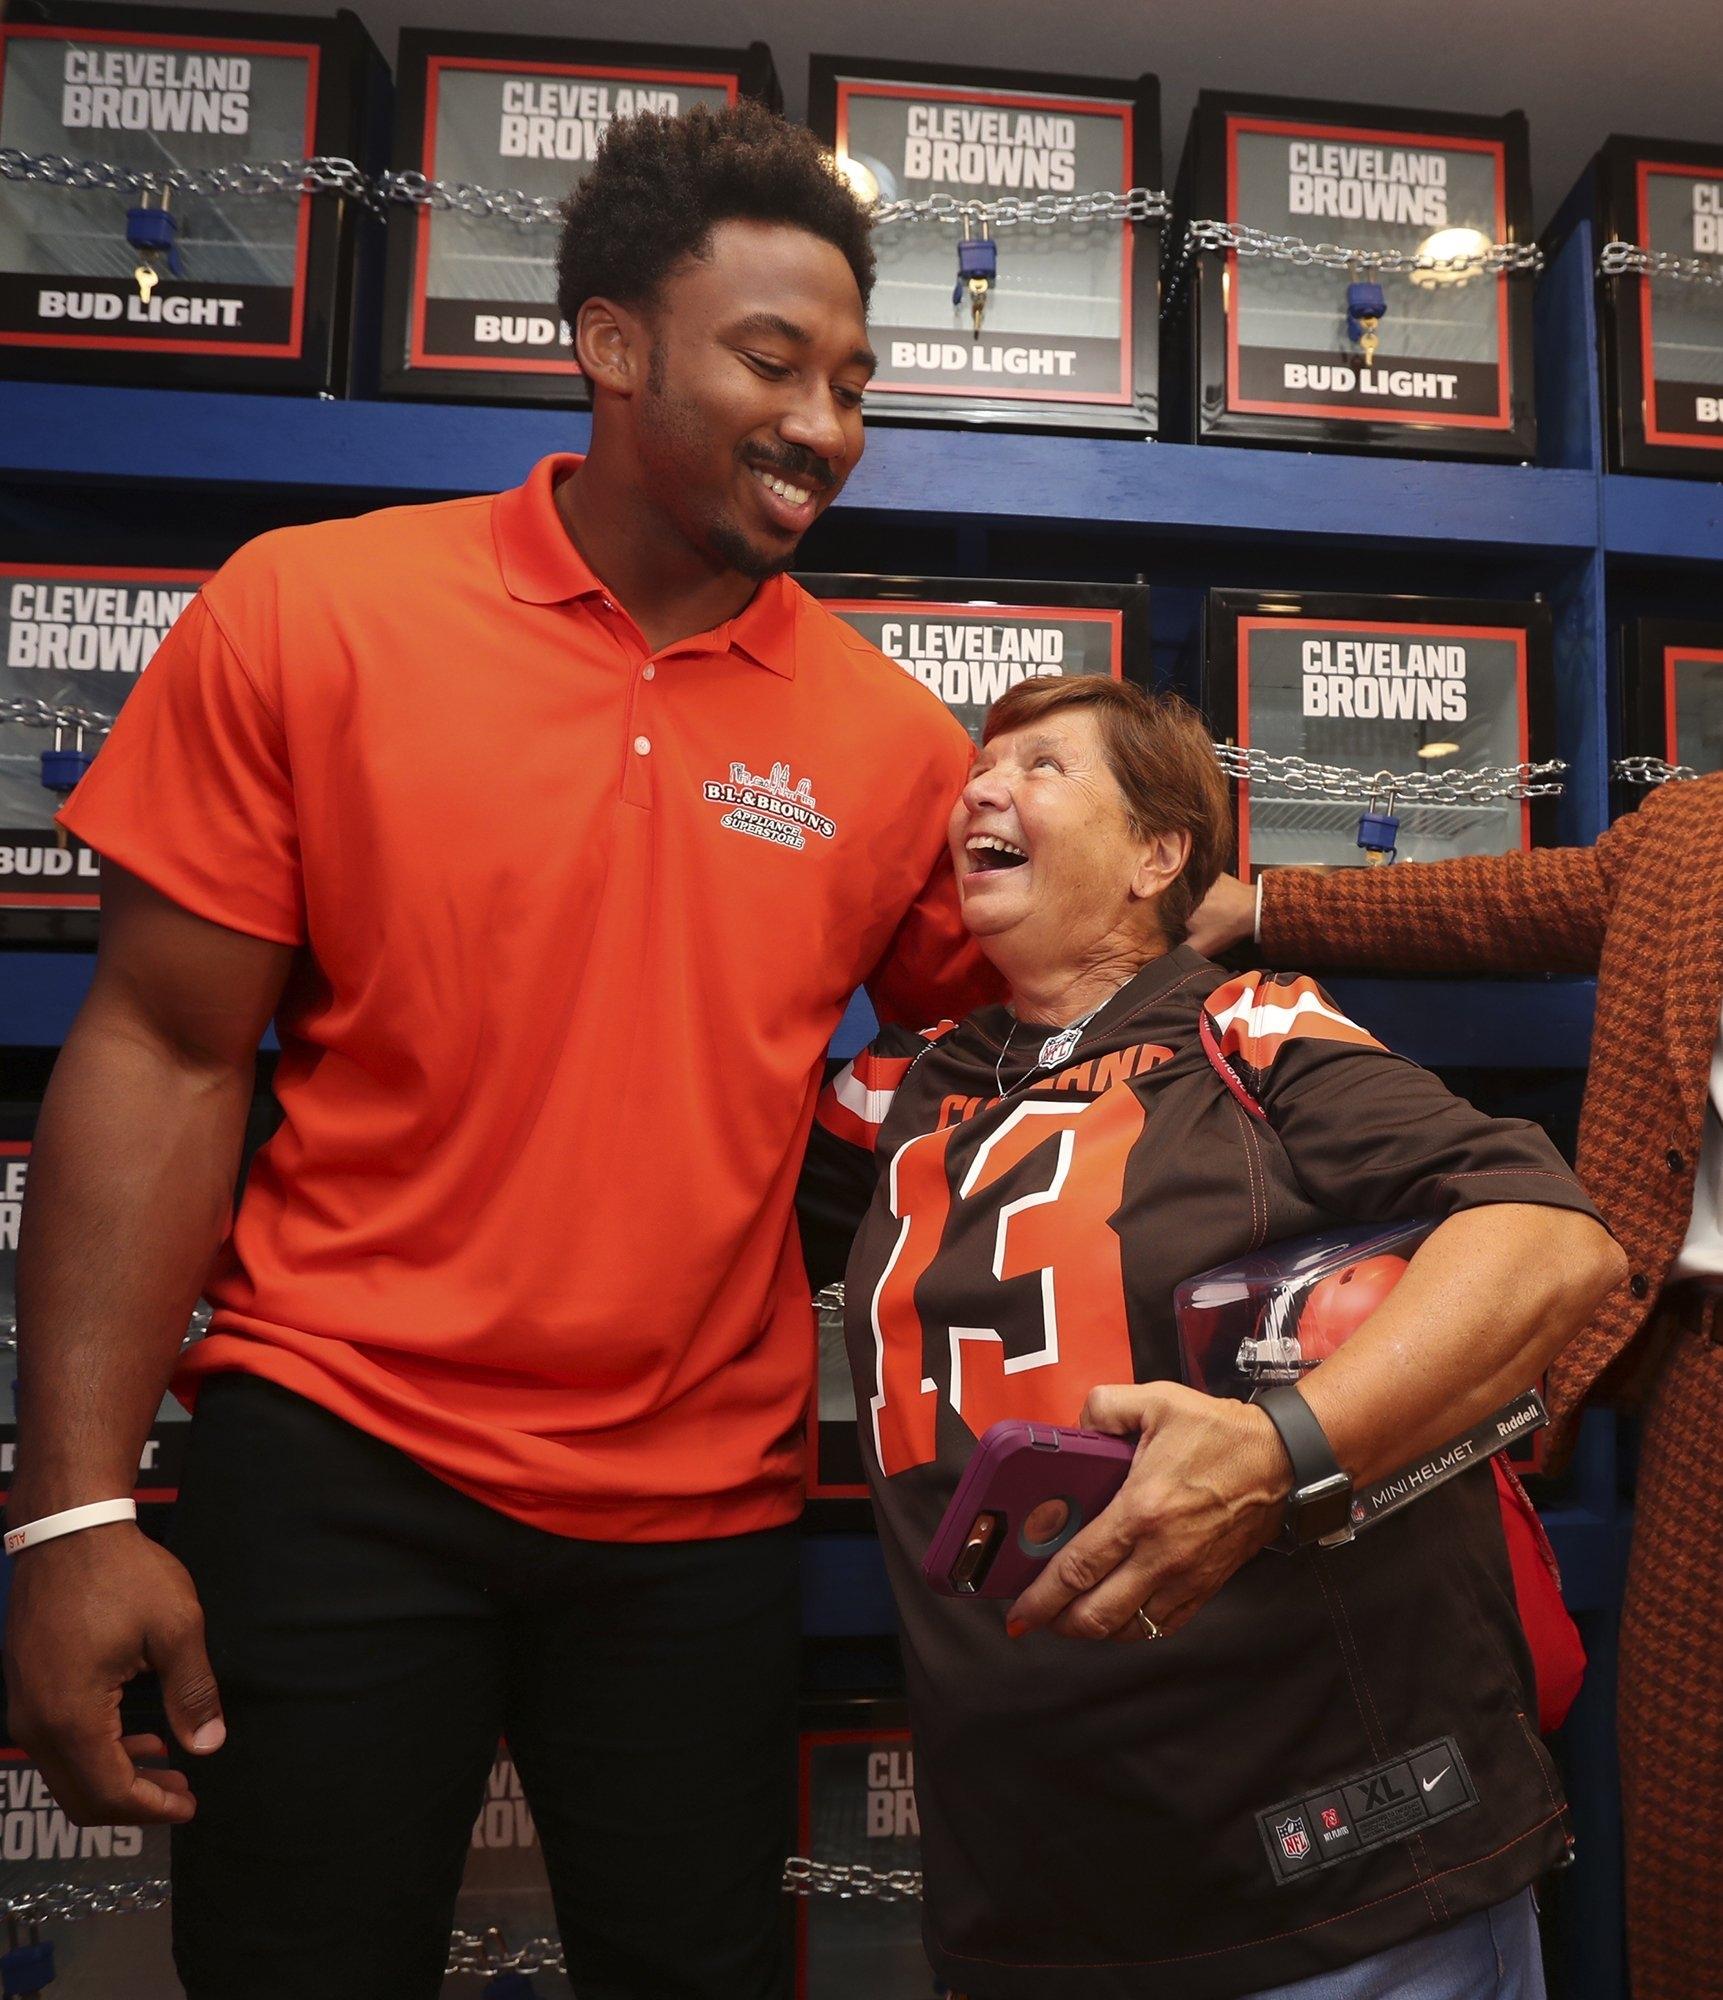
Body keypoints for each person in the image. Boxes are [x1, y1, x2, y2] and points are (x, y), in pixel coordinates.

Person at [2, 104, 996, 2000]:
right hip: (339, 1450)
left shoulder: (890, 742)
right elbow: (160, 1053)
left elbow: (1018, 1041)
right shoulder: (315, 609)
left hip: (699, 1504)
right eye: (770, 362)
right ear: (611, 347)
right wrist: (70, 1512)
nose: (823, 425)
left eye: (854, 382)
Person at [797, 676, 1624, 2000]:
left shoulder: (1242, 1024)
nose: (980, 794)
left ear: (1154, 852)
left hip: (1334, 1884)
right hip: (1029, 1894)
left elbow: (1548, 1239)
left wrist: (1277, 1448)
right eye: (975, 772)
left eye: (1043, 767)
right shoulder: (897, 1085)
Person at [1188, 773, 1723, 2000]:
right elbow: (1508, 900)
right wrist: (1259, 901)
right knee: (1693, 1797)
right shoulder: (1694, 832)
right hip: (1705, 1381)